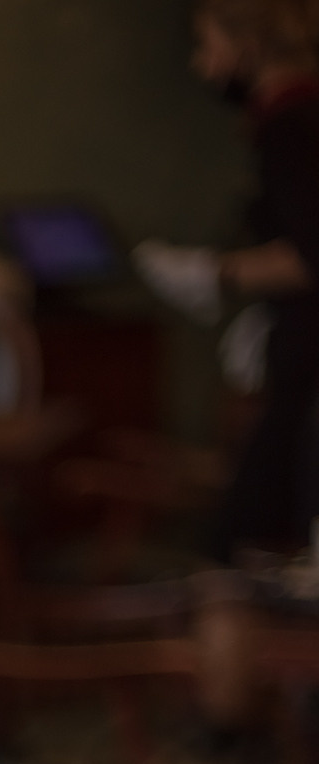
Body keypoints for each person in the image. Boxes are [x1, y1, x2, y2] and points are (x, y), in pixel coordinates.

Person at [135, 0, 319, 557]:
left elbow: (312, 253)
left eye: (208, 45)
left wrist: (213, 275)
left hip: (307, 367)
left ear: (248, 44)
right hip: (297, 360)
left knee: (245, 541)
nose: (203, 64)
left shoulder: (291, 124)